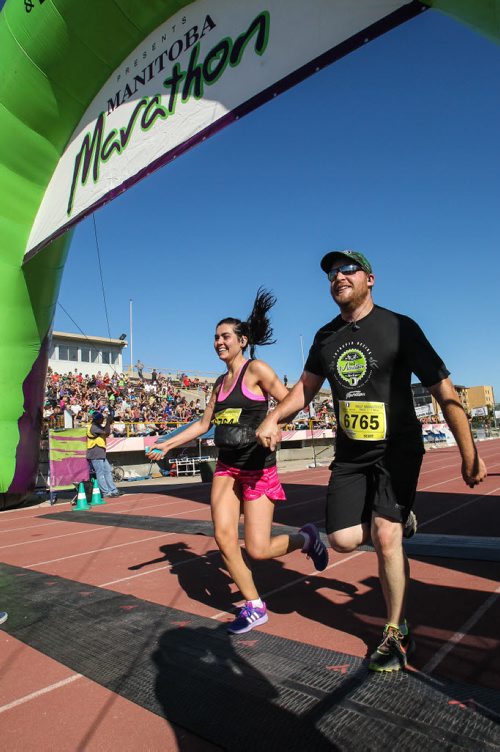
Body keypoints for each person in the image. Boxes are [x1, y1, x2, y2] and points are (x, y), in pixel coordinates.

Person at [256, 249, 487, 672]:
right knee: (343, 539)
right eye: (331, 272)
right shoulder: (325, 337)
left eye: (348, 269)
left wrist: (467, 450)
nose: (338, 276)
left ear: (370, 279)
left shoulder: (400, 327)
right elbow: (306, 390)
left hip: (397, 449)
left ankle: (396, 630)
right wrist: (274, 416)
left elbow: (443, 389)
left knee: (385, 537)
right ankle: (401, 518)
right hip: (351, 454)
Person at [147, 289, 328, 635]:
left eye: (225, 336)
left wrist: (274, 423)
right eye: (215, 337)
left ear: (242, 340)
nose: (218, 342)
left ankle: (306, 539)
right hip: (227, 466)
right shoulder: (218, 384)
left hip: (258, 468)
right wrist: (168, 444)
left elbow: (291, 401)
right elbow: (203, 425)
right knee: (223, 536)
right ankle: (254, 605)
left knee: (258, 549)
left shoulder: (256, 369)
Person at [86, 409, 123, 498]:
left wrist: (110, 421)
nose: (103, 420)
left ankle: (113, 490)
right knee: (100, 473)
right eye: (101, 419)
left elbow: (107, 433)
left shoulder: (97, 426)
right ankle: (106, 492)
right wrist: (108, 422)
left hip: (100, 452)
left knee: (108, 471)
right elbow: (106, 432)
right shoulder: (93, 427)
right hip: (95, 452)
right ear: (97, 419)